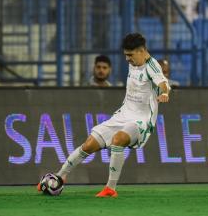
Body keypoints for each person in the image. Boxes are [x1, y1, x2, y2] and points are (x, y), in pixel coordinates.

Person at [40, 33, 170, 197]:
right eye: (125, 55)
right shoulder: (135, 61)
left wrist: (164, 93)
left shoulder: (152, 66)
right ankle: (60, 176)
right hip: (123, 115)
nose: (127, 59)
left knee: (118, 140)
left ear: (142, 51)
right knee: (88, 145)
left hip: (141, 121)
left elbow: (163, 83)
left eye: (130, 55)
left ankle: (110, 188)